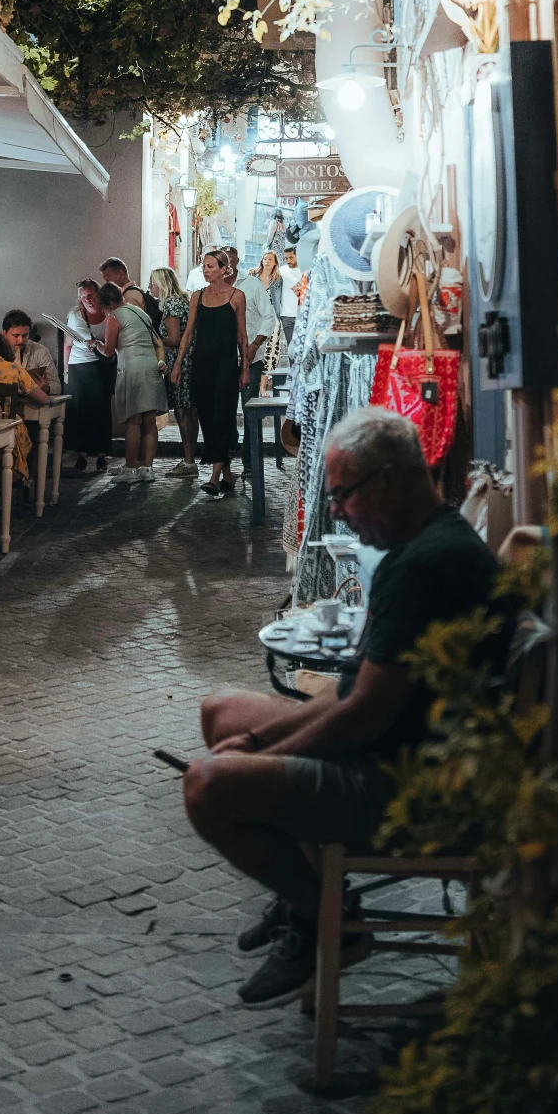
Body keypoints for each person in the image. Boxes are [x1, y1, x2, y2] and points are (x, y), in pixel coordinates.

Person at [182, 406, 503, 1006]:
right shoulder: (426, 543)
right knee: (220, 710)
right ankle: (301, 893)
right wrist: (255, 740)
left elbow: (363, 715)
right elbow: (357, 690)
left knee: (207, 785)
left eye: (343, 495)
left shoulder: (423, 566)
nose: (334, 510)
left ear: (387, 480)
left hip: (406, 779)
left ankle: (318, 917)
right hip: (392, 741)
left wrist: (260, 749)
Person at [173, 248, 247, 496]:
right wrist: (178, 364)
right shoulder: (197, 296)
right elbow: (189, 332)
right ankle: (227, 475)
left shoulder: (237, 296)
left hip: (226, 365)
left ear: (224, 270)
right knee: (206, 415)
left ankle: (214, 477)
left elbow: (241, 336)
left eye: (211, 266)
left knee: (223, 416)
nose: (206, 270)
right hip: (201, 364)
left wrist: (244, 368)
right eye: (204, 266)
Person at [0, 329, 50, 481]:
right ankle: (22, 488)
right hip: (6, 426)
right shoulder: (14, 368)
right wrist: (41, 388)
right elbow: (43, 400)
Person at [105, 283, 165, 476]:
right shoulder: (141, 313)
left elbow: (108, 350)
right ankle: (147, 468)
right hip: (150, 366)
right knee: (149, 420)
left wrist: (95, 345)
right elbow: (158, 342)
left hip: (132, 368)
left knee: (133, 420)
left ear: (108, 304)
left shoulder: (114, 316)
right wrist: (161, 361)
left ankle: (130, 468)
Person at [64, 279, 115, 474]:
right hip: (78, 365)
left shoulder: (108, 313)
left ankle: (101, 455)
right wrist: (66, 371)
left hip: (101, 364)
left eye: (90, 295)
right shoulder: (75, 316)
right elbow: (68, 344)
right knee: (79, 411)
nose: (88, 300)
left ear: (98, 294)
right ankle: (81, 456)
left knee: (101, 409)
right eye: (83, 296)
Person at [149, 266, 196, 476]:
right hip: (186, 361)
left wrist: (154, 342)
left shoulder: (172, 304)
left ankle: (188, 461)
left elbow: (175, 339)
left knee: (183, 411)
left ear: (162, 283)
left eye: (153, 282)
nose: (150, 286)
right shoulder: (181, 300)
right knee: (187, 411)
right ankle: (189, 459)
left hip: (180, 363)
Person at [240, 258, 278, 405]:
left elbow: (269, 316)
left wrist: (255, 344)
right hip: (225, 357)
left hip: (252, 350)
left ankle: (263, 386)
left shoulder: (254, 283)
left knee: (250, 404)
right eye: (265, 259)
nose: (267, 261)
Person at [0, 308, 62, 395]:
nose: (21, 340)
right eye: (16, 336)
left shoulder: (40, 351)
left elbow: (57, 387)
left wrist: (47, 388)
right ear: (5, 334)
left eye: (25, 335)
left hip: (34, 405)